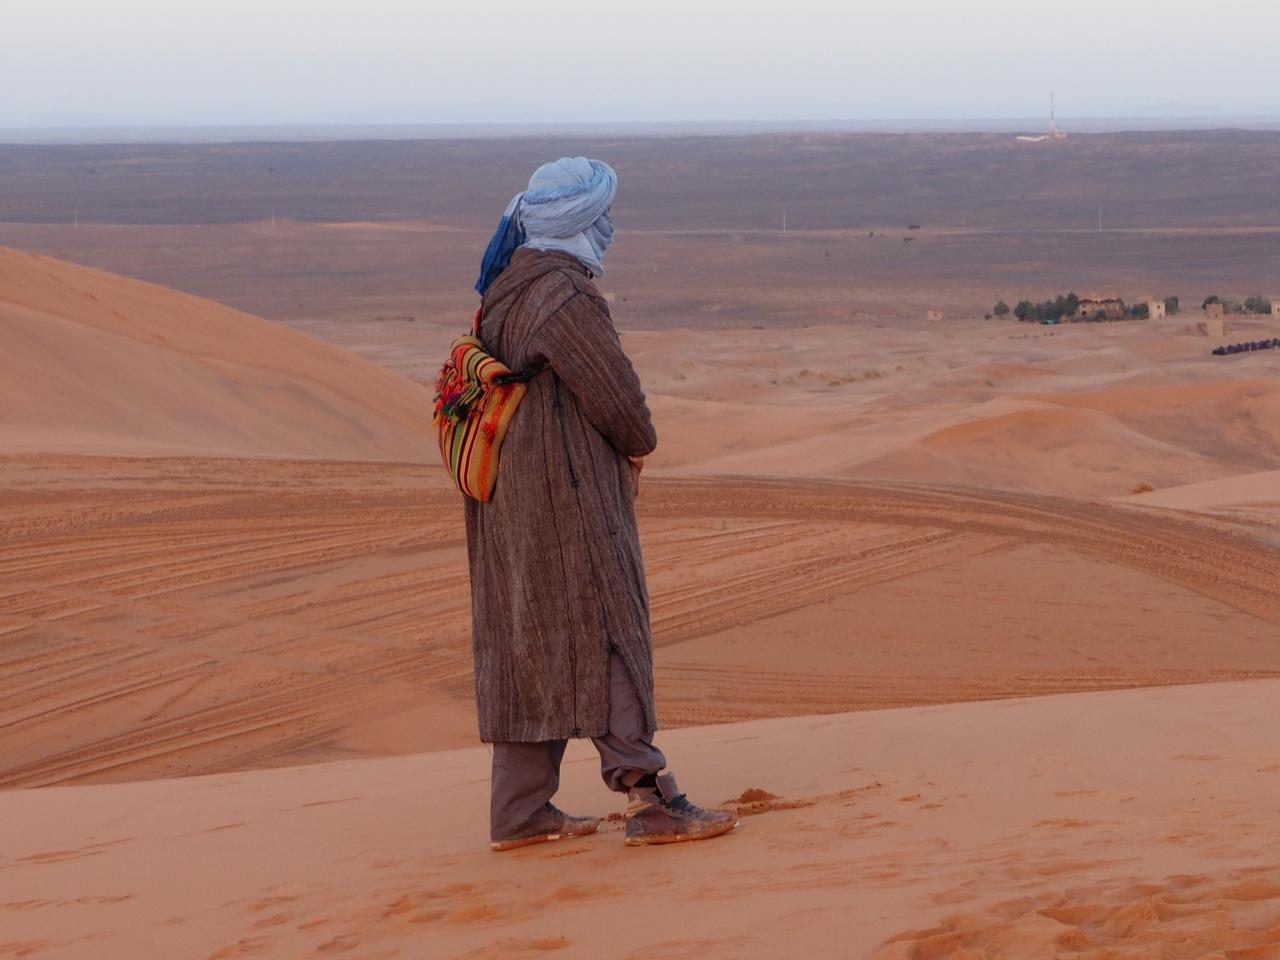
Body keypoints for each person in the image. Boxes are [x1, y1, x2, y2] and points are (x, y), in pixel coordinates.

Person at [465, 156, 738, 851]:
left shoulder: (506, 286)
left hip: (514, 500)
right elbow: (617, 398)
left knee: (533, 639)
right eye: (602, 214)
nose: (610, 227)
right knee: (606, 630)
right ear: (579, 221)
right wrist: (638, 443)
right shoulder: (563, 295)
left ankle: (519, 811)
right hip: (568, 499)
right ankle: (650, 799)